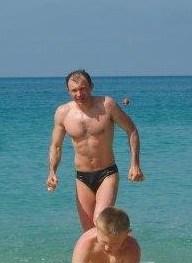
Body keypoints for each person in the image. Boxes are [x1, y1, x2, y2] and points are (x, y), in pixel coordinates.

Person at [46, 70, 144, 231]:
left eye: (83, 89)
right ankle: (115, 244)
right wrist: (52, 172)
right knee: (89, 231)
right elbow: (56, 146)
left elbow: (131, 129)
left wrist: (135, 164)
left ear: (91, 86)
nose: (79, 94)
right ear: (68, 91)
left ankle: (126, 243)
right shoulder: (63, 113)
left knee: (100, 222)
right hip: (82, 177)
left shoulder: (107, 105)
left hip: (107, 173)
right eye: (74, 90)